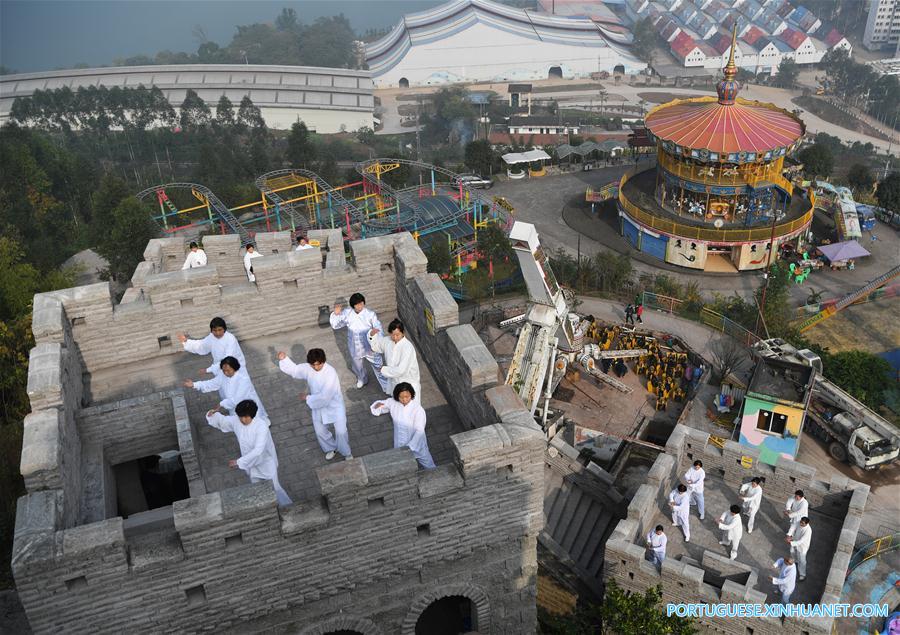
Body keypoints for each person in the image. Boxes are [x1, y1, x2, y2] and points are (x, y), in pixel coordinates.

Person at [205, 400, 291, 506]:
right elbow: (223, 421)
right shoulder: (237, 420)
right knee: (257, 488)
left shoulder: (261, 426)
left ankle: (286, 506)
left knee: (275, 487)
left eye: (245, 417)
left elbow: (258, 450)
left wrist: (239, 462)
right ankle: (265, 507)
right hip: (251, 465)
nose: (242, 420)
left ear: (252, 415)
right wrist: (212, 415)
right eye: (240, 416)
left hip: (266, 463)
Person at [277, 348, 352, 461]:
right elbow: (295, 370)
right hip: (318, 407)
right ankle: (331, 448)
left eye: (318, 364)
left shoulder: (330, 372)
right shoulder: (308, 368)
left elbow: (325, 397)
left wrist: (307, 398)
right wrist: (284, 359)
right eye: (313, 365)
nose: (316, 367)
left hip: (334, 405)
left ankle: (346, 452)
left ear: (323, 361)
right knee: (320, 431)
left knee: (341, 431)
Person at [370, 382, 436, 469]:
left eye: (407, 397)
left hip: (416, 445)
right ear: (397, 396)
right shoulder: (393, 403)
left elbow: (419, 431)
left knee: (428, 464)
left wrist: (410, 447)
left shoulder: (418, 410)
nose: (404, 400)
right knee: (401, 464)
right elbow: (380, 405)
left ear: (411, 395)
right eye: (401, 397)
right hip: (399, 443)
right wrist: (377, 406)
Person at [183, 356, 267, 418]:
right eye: (223, 371)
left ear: (235, 368)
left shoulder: (243, 379)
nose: (226, 373)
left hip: (248, 409)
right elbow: (212, 383)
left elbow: (237, 399)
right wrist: (194, 384)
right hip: (234, 409)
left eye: (228, 370)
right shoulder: (222, 376)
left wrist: (221, 404)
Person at [330, 293, 384, 389]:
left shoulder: (370, 314)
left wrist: (376, 336)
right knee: (357, 364)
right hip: (355, 344)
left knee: (377, 363)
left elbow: (378, 327)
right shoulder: (347, 313)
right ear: (353, 305)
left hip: (369, 344)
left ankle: (385, 382)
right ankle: (362, 378)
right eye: (357, 304)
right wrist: (335, 314)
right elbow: (336, 324)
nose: (360, 306)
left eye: (361, 303)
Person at [368, 319, 421, 401]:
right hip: (395, 382)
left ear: (403, 333)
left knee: (411, 407)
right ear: (389, 333)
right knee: (397, 406)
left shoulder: (407, 347)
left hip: (408, 384)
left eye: (397, 335)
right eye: (392, 335)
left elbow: (401, 370)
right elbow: (376, 346)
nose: (395, 337)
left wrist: (383, 369)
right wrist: (372, 335)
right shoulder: (387, 341)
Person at [178, 317, 246, 378]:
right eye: (215, 330)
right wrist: (186, 342)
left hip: (235, 369)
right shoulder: (211, 337)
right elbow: (201, 345)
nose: (217, 333)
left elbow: (228, 359)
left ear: (224, 329)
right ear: (211, 330)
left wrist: (208, 370)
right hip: (220, 369)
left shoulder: (230, 339)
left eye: (220, 330)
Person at [787, 517, 812, 581]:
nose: (800, 524)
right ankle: (795, 562)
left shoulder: (808, 531)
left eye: (802, 523)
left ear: (807, 523)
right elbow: (793, 527)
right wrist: (789, 535)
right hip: (795, 540)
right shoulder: (799, 522)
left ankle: (802, 574)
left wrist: (791, 542)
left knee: (802, 560)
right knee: (791, 551)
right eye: (800, 522)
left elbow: (801, 541)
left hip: (802, 546)